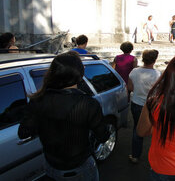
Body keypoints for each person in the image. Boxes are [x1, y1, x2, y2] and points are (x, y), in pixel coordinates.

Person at [18, 51, 109, 181]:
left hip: (52, 166)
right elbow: (103, 135)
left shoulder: (38, 99)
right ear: (80, 75)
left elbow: (23, 132)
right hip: (81, 166)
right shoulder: (88, 103)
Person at [127, 49, 161, 163]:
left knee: (137, 129)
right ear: (154, 60)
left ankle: (135, 155)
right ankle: (155, 158)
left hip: (137, 103)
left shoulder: (134, 71)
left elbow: (130, 88)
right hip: (152, 105)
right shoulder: (157, 74)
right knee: (155, 131)